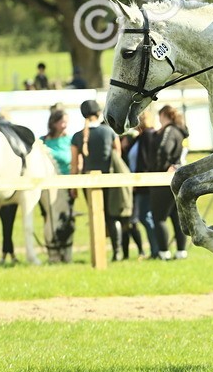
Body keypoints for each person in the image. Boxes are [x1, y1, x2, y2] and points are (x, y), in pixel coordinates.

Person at [70, 99, 126, 259]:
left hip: (88, 182)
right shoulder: (109, 132)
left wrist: (73, 187)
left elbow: (75, 165)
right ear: (99, 113)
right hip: (110, 179)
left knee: (96, 216)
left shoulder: (77, 136)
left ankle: (99, 251)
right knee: (111, 216)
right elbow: (118, 156)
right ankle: (117, 252)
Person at [146, 105, 189, 259]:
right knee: (176, 217)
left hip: (163, 179)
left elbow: (164, 149)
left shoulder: (169, 131)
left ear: (164, 115)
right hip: (178, 178)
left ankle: (164, 252)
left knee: (159, 218)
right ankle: (181, 251)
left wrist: (159, 167)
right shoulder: (180, 131)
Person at [126, 110, 161, 258]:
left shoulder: (148, 135)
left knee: (145, 216)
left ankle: (157, 249)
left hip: (144, 185)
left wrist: (138, 182)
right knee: (145, 216)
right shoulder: (139, 137)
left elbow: (146, 161)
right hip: (139, 184)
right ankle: (156, 249)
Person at [42, 108, 73, 176]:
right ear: (54, 123)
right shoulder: (42, 141)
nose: (65, 126)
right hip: (48, 179)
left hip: (68, 179)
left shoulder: (71, 140)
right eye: (63, 122)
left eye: (67, 122)